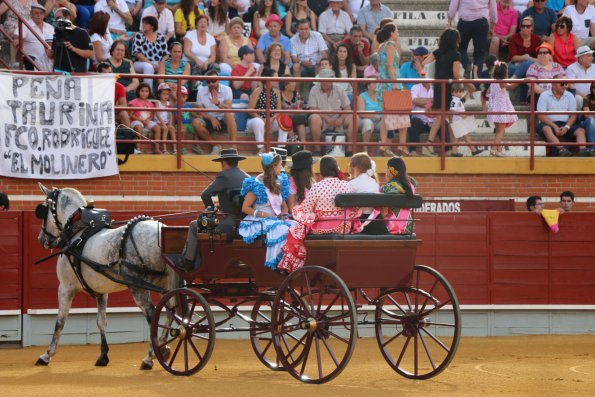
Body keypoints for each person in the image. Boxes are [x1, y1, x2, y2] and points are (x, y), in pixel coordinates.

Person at [278, 155, 360, 273]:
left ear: (321, 171)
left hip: (321, 228)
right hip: (343, 227)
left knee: (298, 229)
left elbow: (305, 210)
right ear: (336, 169)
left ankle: (293, 264)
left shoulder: (317, 187)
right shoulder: (346, 185)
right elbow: (354, 208)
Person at [176, 148, 250, 270]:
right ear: (236, 162)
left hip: (229, 224)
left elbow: (205, 195)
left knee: (194, 225)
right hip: (246, 222)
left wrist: (212, 212)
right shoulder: (246, 176)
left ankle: (188, 261)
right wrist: (223, 207)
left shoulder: (223, 175)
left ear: (224, 162)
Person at [239, 152, 294, 270]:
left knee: (296, 227)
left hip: (276, 218)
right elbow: (245, 208)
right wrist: (267, 215)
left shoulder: (279, 181)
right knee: (281, 229)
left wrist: (284, 215)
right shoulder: (257, 184)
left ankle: (291, 260)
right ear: (273, 167)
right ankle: (277, 262)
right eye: (280, 165)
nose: (282, 168)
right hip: (259, 219)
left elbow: (283, 205)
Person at [422, 27, 470, 156]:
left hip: (438, 86)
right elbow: (455, 73)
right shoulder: (456, 54)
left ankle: (452, 149)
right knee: (445, 117)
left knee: (447, 117)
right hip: (449, 88)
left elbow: (425, 62)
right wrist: (467, 81)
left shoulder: (438, 51)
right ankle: (430, 143)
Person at [376, 23, 411, 156]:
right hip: (391, 84)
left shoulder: (381, 47)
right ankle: (402, 145)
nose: (398, 33)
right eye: (396, 31)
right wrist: (395, 83)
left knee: (386, 116)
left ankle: (384, 145)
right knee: (403, 112)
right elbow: (391, 65)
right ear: (391, 33)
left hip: (383, 83)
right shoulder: (390, 45)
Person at [536, 75, 589, 156]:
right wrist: (554, 126)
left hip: (565, 124)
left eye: (566, 84)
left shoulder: (570, 95)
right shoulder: (544, 95)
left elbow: (573, 115)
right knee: (546, 129)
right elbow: (541, 115)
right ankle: (561, 149)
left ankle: (583, 151)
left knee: (581, 131)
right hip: (549, 124)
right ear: (553, 84)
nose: (564, 86)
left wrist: (566, 127)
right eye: (562, 84)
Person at [308, 68, 353, 155]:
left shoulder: (339, 89)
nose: (324, 82)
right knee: (314, 117)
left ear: (332, 80)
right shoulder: (314, 89)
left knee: (353, 117)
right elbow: (312, 108)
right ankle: (317, 149)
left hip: (338, 119)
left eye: (327, 80)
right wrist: (327, 118)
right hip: (322, 120)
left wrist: (341, 118)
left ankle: (349, 149)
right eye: (322, 80)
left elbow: (348, 108)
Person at [447, 0, 498, 79]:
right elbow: (493, 8)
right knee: (479, 54)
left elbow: (454, 4)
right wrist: (492, 25)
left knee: (461, 49)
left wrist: (450, 19)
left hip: (464, 21)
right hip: (481, 22)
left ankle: (466, 65)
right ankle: (476, 81)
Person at [246, 67, 288, 153]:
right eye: (275, 77)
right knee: (259, 122)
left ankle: (281, 149)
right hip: (255, 121)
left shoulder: (277, 92)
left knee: (283, 121)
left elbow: (278, 111)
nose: (277, 80)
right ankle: (261, 148)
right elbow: (250, 110)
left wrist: (271, 120)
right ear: (268, 78)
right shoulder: (258, 91)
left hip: (271, 121)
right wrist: (264, 120)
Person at [195, 68, 237, 153]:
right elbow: (200, 110)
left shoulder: (227, 89)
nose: (211, 84)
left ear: (218, 80)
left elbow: (228, 108)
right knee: (196, 123)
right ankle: (215, 145)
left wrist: (218, 103)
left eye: (213, 81)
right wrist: (211, 118)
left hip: (223, 119)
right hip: (209, 119)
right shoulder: (201, 91)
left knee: (230, 114)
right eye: (208, 81)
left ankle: (234, 147)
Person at [348, 152, 388, 235]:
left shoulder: (351, 184)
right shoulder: (375, 184)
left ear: (354, 167)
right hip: (377, 223)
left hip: (358, 223)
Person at [487, 61, 519, 157]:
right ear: (505, 73)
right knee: (501, 131)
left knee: (499, 131)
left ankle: (498, 149)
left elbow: (487, 93)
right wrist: (522, 80)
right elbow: (512, 86)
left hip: (495, 109)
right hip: (500, 109)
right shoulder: (501, 82)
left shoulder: (493, 82)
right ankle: (493, 149)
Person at [50, 7, 93, 73]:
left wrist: (74, 49)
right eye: (56, 19)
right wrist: (50, 53)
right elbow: (54, 55)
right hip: (59, 74)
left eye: (59, 18)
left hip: (76, 74)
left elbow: (91, 54)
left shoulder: (82, 33)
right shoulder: (57, 33)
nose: (57, 21)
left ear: (68, 17)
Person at [381, 156, 417, 235]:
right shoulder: (411, 185)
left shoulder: (387, 187)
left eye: (386, 168)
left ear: (390, 169)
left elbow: (383, 213)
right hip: (409, 227)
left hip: (392, 227)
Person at [132, 16, 169, 93]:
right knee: (148, 67)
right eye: (143, 23)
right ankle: (149, 93)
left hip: (157, 62)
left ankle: (163, 93)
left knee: (163, 66)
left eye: (146, 23)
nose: (143, 25)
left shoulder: (160, 36)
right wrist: (151, 64)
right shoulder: (139, 35)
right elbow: (137, 53)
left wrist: (161, 62)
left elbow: (166, 54)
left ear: (152, 26)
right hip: (140, 63)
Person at [175, 85, 215, 155]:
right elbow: (176, 117)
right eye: (180, 96)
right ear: (177, 96)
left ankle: (196, 146)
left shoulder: (188, 106)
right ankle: (182, 147)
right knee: (183, 131)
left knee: (196, 130)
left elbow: (192, 113)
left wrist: (197, 116)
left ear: (187, 97)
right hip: (180, 124)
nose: (181, 98)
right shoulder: (176, 106)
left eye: (183, 96)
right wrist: (180, 123)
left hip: (188, 123)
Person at [357, 68, 386, 154]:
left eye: (378, 83)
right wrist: (373, 116)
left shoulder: (381, 96)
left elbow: (385, 111)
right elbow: (361, 114)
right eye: (374, 83)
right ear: (368, 85)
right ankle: (365, 150)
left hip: (379, 120)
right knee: (368, 123)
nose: (377, 85)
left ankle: (383, 149)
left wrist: (381, 117)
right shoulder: (362, 96)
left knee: (386, 122)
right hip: (366, 119)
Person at [449, 84, 482, 156]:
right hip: (457, 121)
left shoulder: (458, 100)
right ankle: (473, 150)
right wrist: (460, 114)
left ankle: (454, 152)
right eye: (456, 92)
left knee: (458, 137)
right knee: (465, 136)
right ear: (452, 93)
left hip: (459, 121)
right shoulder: (454, 101)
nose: (459, 94)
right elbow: (451, 110)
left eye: (460, 92)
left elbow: (464, 99)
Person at [129, 83, 162, 154]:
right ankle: (138, 148)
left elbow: (151, 115)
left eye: (146, 91)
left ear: (149, 93)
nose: (144, 93)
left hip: (146, 121)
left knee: (157, 128)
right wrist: (140, 120)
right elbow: (130, 115)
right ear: (138, 91)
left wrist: (148, 120)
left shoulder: (150, 103)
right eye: (142, 91)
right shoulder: (134, 102)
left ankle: (156, 148)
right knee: (139, 127)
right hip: (136, 120)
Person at [19, 4, 54, 71]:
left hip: (49, 59)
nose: (39, 15)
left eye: (41, 13)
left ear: (44, 15)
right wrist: (17, 39)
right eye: (36, 13)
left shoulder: (50, 27)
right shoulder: (25, 25)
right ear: (31, 14)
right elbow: (17, 38)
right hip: (31, 59)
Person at [97, 62, 131, 128]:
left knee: (124, 113)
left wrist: (109, 107)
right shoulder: (94, 86)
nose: (109, 76)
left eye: (110, 73)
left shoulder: (119, 86)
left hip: (112, 112)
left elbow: (124, 105)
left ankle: (128, 136)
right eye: (106, 74)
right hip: (96, 113)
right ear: (99, 75)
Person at [507, 16, 541, 81]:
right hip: (513, 65)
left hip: (531, 66)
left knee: (528, 66)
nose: (525, 28)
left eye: (528, 26)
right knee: (528, 69)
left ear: (532, 27)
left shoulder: (537, 39)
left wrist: (529, 58)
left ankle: (512, 81)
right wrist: (525, 58)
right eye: (523, 26)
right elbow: (513, 58)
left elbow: (539, 58)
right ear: (520, 27)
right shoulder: (514, 38)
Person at [280, 75, 308, 143]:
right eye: (292, 82)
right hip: (285, 119)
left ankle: (303, 146)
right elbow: (284, 107)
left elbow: (302, 106)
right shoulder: (279, 94)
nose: (295, 83)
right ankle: (293, 143)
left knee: (300, 123)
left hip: (295, 117)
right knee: (288, 119)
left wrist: (301, 106)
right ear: (286, 85)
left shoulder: (296, 94)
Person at [155, 83, 176, 153]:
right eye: (163, 94)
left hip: (166, 122)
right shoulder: (157, 102)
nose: (166, 96)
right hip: (159, 122)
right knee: (165, 129)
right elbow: (158, 114)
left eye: (167, 94)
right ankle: (164, 149)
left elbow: (170, 114)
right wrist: (163, 124)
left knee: (172, 129)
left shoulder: (168, 103)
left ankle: (175, 149)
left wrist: (170, 123)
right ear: (159, 94)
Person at [580, 81, 595, 155]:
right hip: (585, 123)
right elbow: (587, 115)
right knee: (591, 120)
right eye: (594, 87)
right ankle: (593, 148)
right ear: (591, 89)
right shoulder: (587, 98)